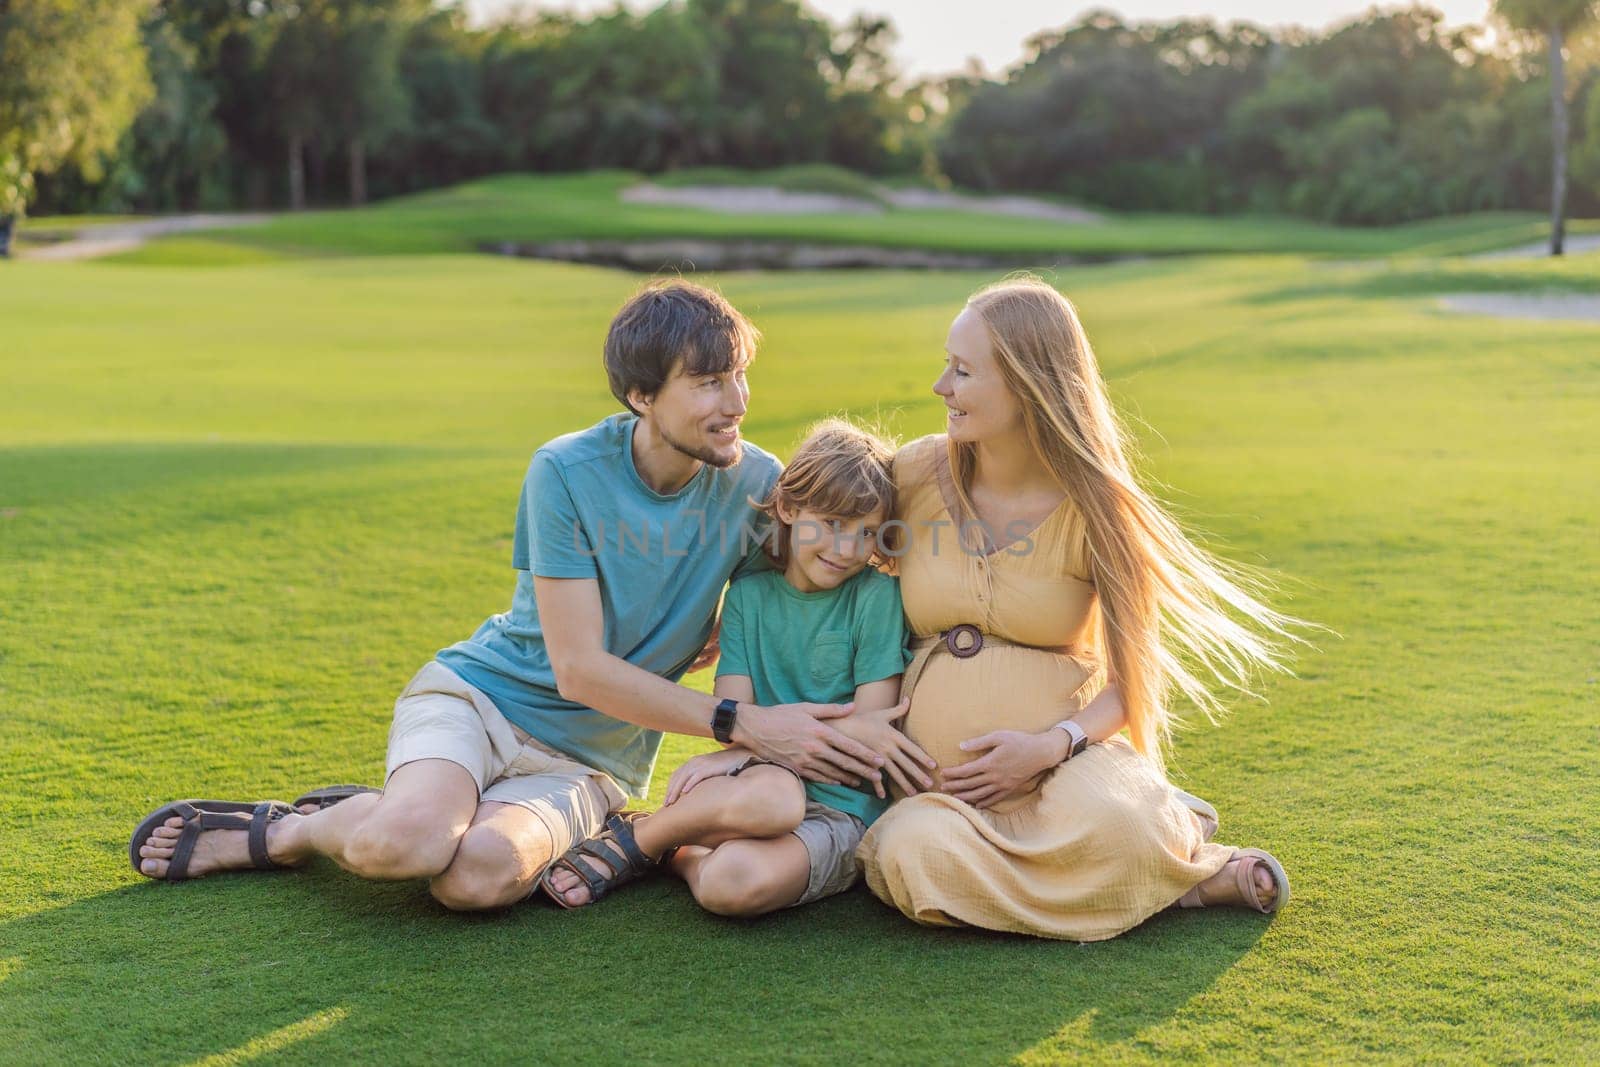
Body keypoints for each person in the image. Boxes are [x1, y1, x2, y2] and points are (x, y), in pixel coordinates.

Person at [129, 280, 886, 910]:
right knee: (406, 845)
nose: (737, 401)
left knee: (475, 879)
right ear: (641, 396)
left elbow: (827, 543)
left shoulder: (758, 483)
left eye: (741, 374)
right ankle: (290, 830)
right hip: (484, 699)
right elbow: (579, 670)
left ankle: (423, 807)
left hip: (590, 763)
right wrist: (743, 724)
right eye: (709, 381)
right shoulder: (562, 471)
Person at [855, 276, 1299, 941]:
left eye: (963, 370)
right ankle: (1173, 876)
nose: (940, 386)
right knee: (910, 856)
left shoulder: (1097, 509)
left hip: (1066, 766)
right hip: (943, 792)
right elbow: (817, 533)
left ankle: (1151, 847)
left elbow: (1134, 678)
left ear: (1027, 386)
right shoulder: (915, 474)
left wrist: (1044, 746)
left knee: (1116, 823)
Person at [540, 420, 931, 914]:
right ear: (789, 508)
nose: (846, 550)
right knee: (775, 798)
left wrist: (733, 752)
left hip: (840, 806)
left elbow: (867, 732)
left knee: (731, 884)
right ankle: (635, 844)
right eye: (831, 525)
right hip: (753, 785)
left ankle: (665, 848)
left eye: (867, 533)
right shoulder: (748, 596)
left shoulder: (875, 596)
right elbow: (736, 711)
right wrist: (736, 753)